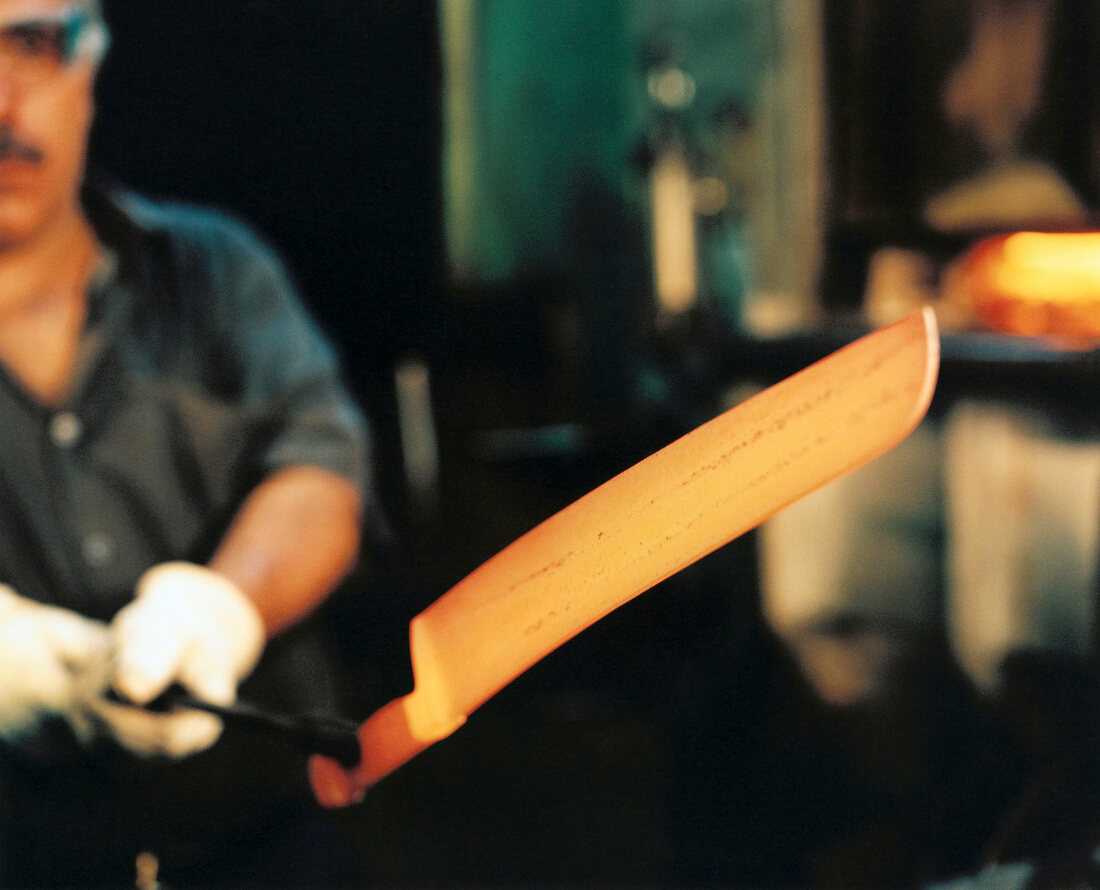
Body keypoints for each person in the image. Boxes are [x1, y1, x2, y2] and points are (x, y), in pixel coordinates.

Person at [0, 0, 371, 885]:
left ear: (90, 67)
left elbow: (322, 468)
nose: (0, 101)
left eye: (31, 43)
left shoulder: (215, 273)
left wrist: (220, 611)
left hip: (259, 842)